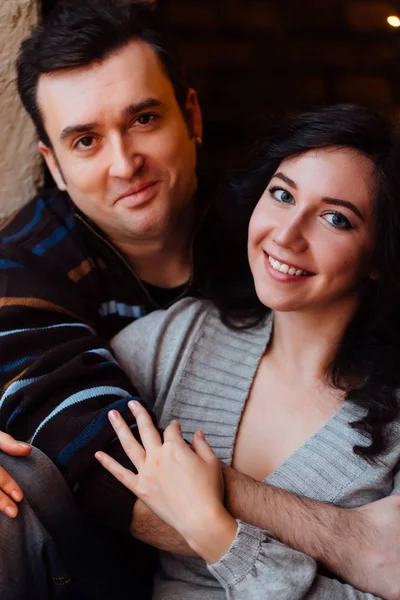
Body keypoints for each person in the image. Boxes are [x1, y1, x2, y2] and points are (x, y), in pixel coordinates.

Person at [0, 0, 399, 596]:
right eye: (85, 140)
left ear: (190, 115)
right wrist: (347, 541)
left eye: (143, 120)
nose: (124, 164)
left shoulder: (255, 222)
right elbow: (95, 458)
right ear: (54, 167)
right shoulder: (23, 274)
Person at [97, 104, 400, 599]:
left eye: (335, 219)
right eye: (282, 195)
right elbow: (52, 407)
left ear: (378, 258)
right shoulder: (187, 337)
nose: (285, 234)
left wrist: (221, 538)